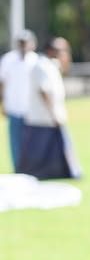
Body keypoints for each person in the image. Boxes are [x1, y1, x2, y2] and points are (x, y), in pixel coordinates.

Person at [17, 37, 81, 180]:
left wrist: (66, 56)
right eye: (59, 50)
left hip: (51, 117)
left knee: (57, 153)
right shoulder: (41, 66)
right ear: (50, 51)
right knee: (36, 156)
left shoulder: (52, 65)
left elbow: (66, 68)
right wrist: (53, 114)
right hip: (42, 119)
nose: (62, 53)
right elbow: (43, 91)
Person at [0, 29, 38, 170]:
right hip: (14, 108)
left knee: (32, 142)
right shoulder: (8, 59)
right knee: (15, 143)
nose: (23, 46)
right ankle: (18, 170)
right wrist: (2, 104)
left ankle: (31, 168)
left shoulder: (35, 60)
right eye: (21, 43)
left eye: (25, 43)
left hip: (31, 109)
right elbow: (2, 83)